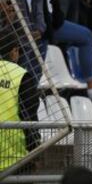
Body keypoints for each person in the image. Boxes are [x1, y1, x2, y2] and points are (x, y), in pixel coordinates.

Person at [0, 30, 40, 171]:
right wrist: (35, 150)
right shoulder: (21, 76)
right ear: (14, 51)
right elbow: (29, 116)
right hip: (14, 157)